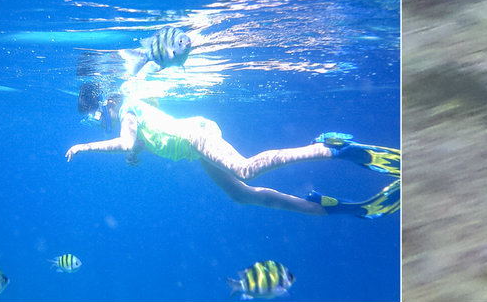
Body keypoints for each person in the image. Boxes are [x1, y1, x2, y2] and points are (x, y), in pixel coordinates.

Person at [64, 91, 398, 217]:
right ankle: (324, 209)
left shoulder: (127, 107)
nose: (101, 124)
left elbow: (126, 141)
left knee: (246, 169)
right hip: (195, 146)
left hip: (197, 137)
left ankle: (331, 148)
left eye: (96, 118)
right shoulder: (129, 112)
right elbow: (135, 143)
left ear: (105, 103)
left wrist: (84, 146)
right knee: (241, 194)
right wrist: (133, 155)